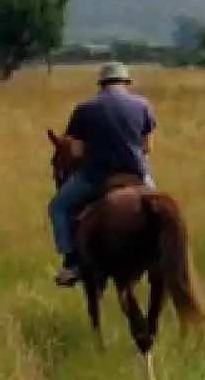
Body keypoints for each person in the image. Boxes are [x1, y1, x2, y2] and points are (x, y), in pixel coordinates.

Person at [47, 61, 157, 287]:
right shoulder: (143, 105)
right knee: (160, 206)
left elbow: (76, 151)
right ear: (126, 82)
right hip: (137, 173)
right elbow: (147, 147)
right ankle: (160, 256)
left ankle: (71, 262)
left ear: (101, 84)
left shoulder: (84, 108)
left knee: (58, 207)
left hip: (96, 176)